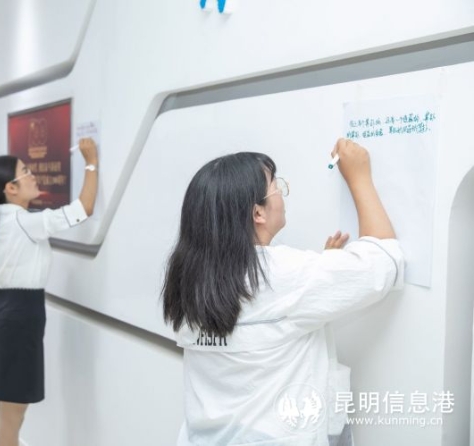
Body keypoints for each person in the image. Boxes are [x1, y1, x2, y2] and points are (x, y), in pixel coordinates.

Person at [162, 138, 404, 445]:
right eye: (277, 187)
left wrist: (323, 275)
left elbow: (257, 322)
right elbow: (384, 261)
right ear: (258, 213)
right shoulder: (280, 275)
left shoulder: (190, 279)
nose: (282, 196)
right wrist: (360, 177)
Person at [0, 138, 99, 446]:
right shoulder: (24, 221)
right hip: (20, 320)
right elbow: (84, 208)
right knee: (12, 419)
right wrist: (91, 162)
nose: (33, 176)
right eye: (25, 172)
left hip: (3, 317)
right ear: (10, 188)